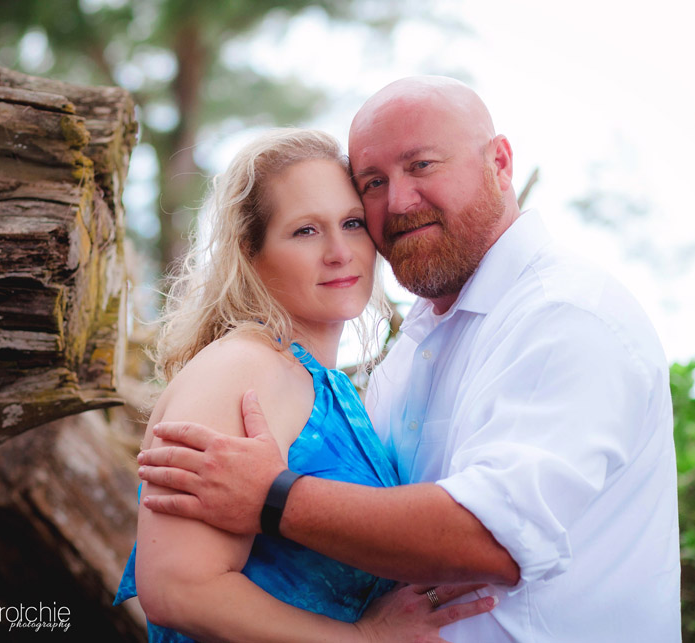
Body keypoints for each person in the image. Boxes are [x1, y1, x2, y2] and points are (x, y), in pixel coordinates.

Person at [137, 77, 682, 642]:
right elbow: (178, 586)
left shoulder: (567, 315)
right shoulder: (364, 352)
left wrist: (275, 497)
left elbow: (493, 539)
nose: (397, 202)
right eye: (373, 182)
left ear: (499, 162)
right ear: (249, 255)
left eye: (421, 165)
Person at [114, 127, 497, 642]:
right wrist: (364, 639)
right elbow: (177, 588)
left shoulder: (331, 387)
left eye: (353, 223)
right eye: (305, 231)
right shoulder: (241, 368)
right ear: (251, 253)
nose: (340, 252)